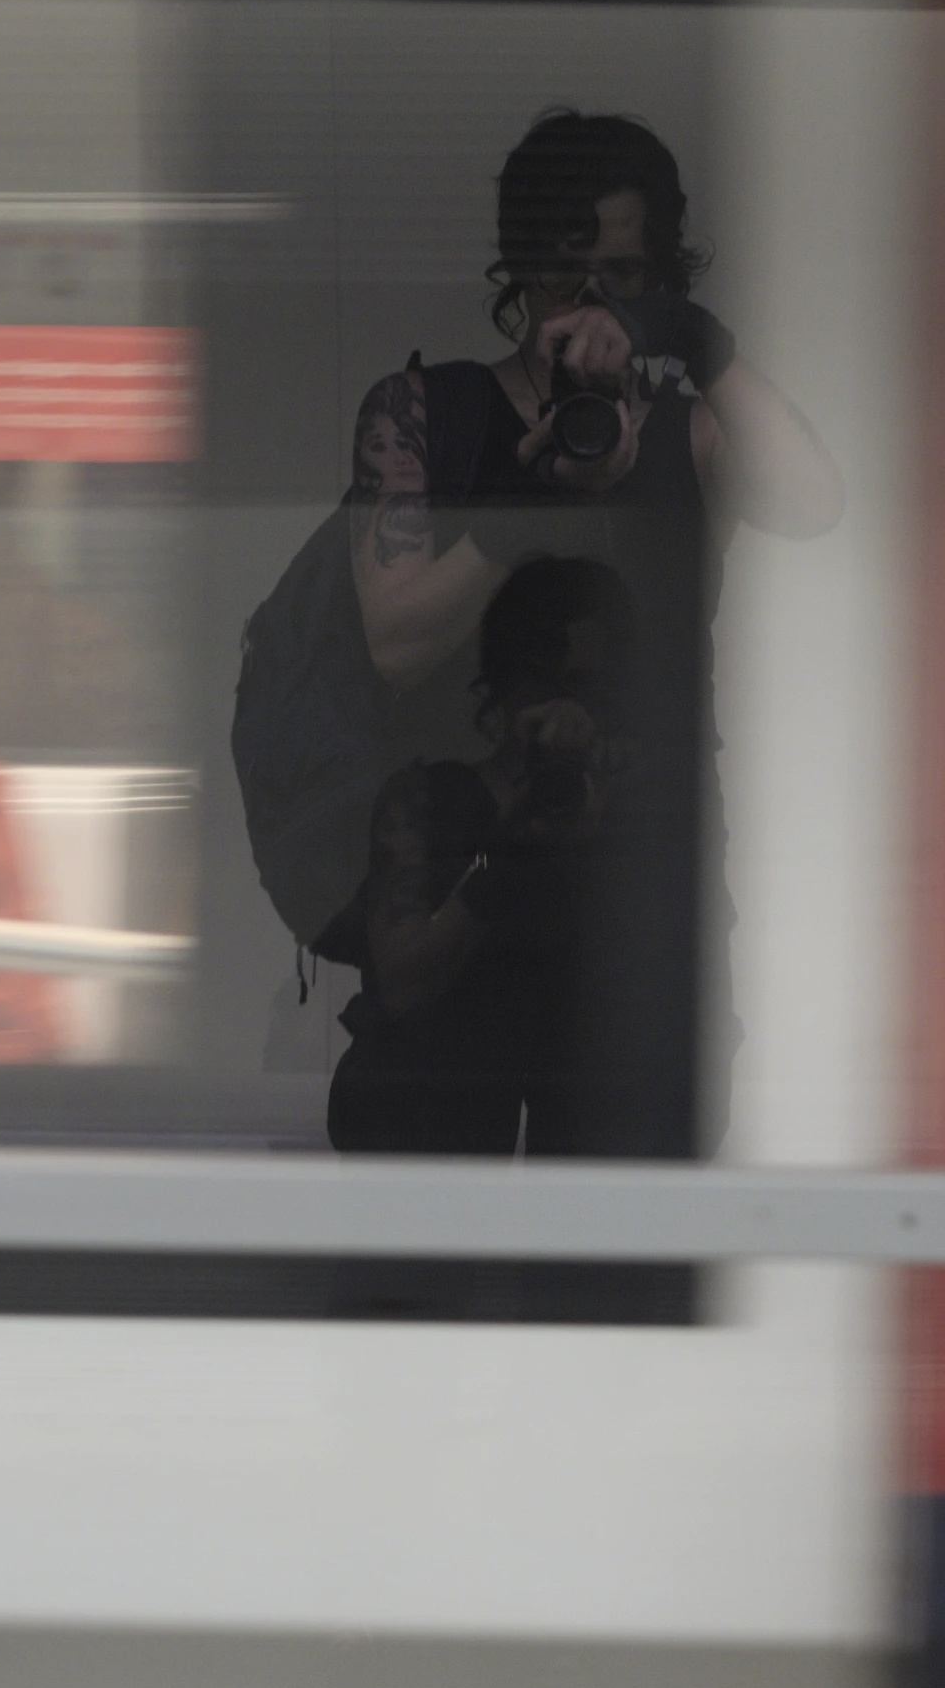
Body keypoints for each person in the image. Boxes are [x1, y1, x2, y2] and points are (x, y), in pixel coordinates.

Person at [337, 109, 844, 1155]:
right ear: (519, 271)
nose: (594, 311)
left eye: (625, 278)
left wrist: (691, 343)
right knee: (431, 1237)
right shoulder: (429, 413)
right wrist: (531, 508)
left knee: (623, 1253)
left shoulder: (692, 432)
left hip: (639, 887)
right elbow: (394, 641)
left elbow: (815, 499)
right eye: (572, 279)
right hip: (459, 877)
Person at [324, 556, 655, 1156]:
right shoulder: (428, 802)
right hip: (434, 1150)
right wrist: (511, 853)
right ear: (503, 682)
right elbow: (401, 984)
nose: (564, 710)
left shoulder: (640, 814)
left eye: (588, 686)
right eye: (545, 680)